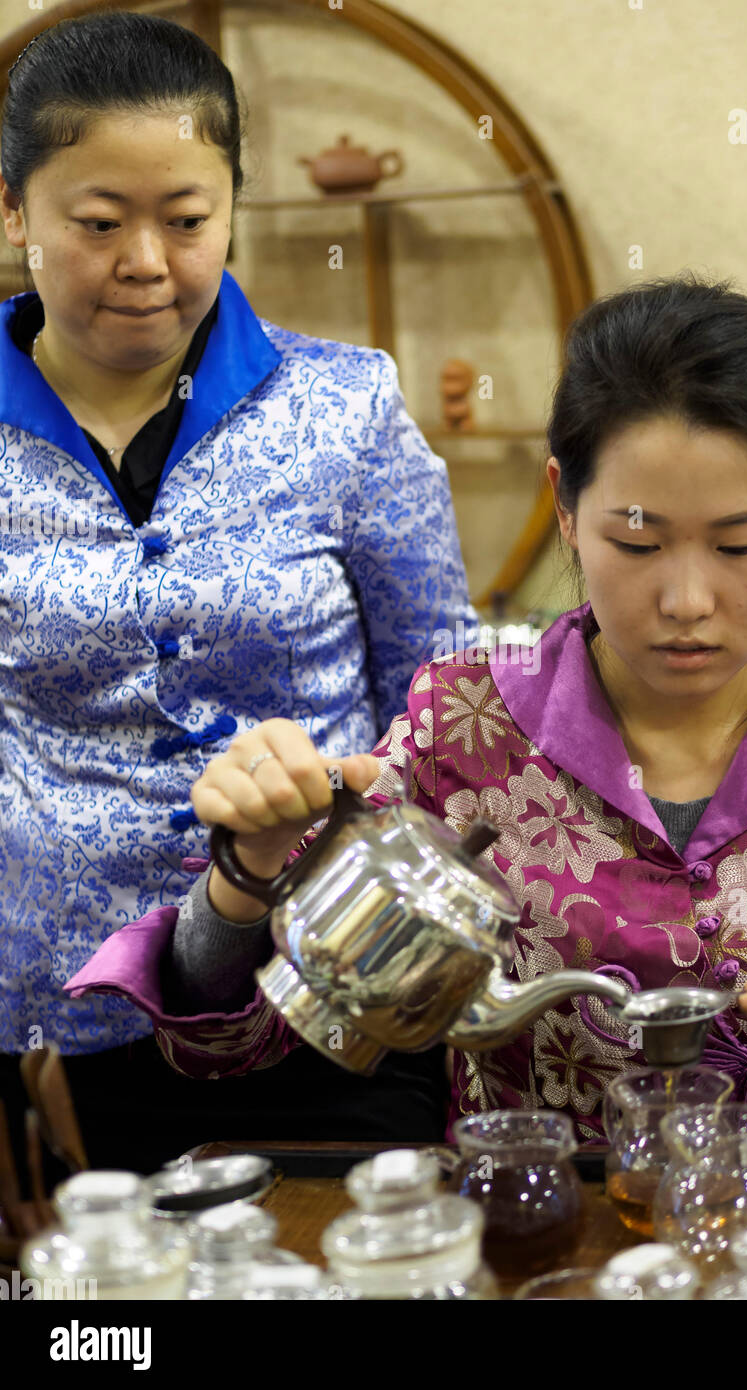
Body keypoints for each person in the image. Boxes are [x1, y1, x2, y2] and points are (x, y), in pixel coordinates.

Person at [68, 274, 747, 1187]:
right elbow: (236, 1039)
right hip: (530, 1241)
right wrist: (249, 867)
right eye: (637, 542)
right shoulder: (463, 724)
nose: (688, 601)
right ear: (566, 508)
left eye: (739, 546)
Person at [0, 12, 477, 1174]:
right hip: (55, 1014)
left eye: (188, 220)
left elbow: (447, 695)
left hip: (332, 989)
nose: (147, 263)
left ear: (233, 210)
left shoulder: (347, 409)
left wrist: (359, 787)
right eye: (99, 223)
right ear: (14, 211)